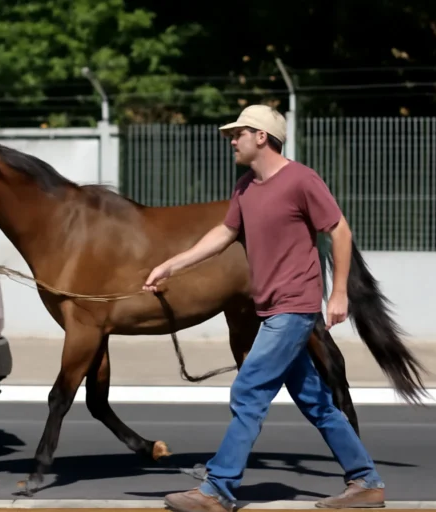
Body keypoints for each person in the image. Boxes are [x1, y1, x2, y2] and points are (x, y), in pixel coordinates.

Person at [142, 104, 386, 511]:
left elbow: (340, 231)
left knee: (249, 390)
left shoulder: (301, 180)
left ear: (261, 136)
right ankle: (366, 482)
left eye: (237, 134)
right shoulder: (245, 187)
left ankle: (217, 489)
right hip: (270, 308)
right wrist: (171, 264)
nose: (231, 141)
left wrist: (339, 292)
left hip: (296, 306)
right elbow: (223, 234)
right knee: (317, 403)